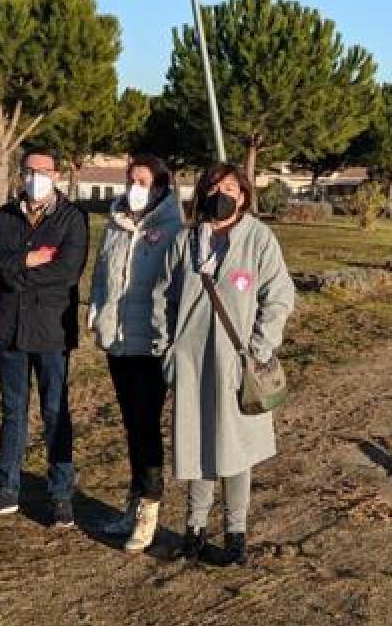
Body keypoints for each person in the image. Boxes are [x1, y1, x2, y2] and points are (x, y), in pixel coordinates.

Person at [151, 162, 295, 566]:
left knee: (236, 450)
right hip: (191, 362)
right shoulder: (184, 242)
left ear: (244, 195)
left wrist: (260, 346)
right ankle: (193, 529)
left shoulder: (259, 240)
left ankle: (235, 534)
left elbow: (279, 295)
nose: (221, 192)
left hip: (236, 363)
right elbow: (164, 297)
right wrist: (167, 349)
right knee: (196, 445)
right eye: (214, 186)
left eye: (230, 186)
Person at [0, 147, 89, 528]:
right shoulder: (6, 215)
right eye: (29, 170)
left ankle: (60, 494)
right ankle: (7, 488)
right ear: (21, 175)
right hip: (8, 331)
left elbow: (67, 272)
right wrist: (23, 260)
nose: (35, 177)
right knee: (12, 411)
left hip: (52, 330)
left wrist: (14, 273)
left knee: (55, 412)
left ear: (56, 175)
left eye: (43, 171)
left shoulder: (73, 219)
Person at [88, 154, 183, 552]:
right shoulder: (116, 223)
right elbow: (102, 273)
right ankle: (133, 503)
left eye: (143, 181)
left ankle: (149, 509)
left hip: (151, 345)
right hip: (118, 341)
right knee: (131, 426)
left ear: (161, 188)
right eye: (131, 179)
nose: (134, 187)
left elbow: (176, 288)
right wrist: (96, 312)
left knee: (146, 427)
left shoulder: (174, 230)